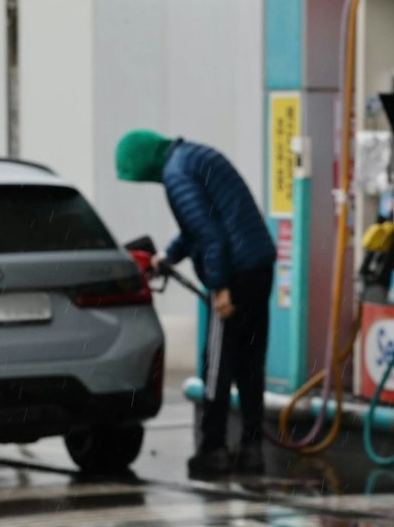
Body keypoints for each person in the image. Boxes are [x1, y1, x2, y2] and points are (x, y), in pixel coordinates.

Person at [115, 130, 277, 479]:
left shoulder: (176, 175)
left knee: (217, 366)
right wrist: (169, 257)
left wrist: (220, 288)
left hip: (233, 273)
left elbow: (210, 235)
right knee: (250, 362)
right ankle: (252, 451)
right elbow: (201, 226)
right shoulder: (194, 157)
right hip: (258, 263)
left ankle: (213, 451)